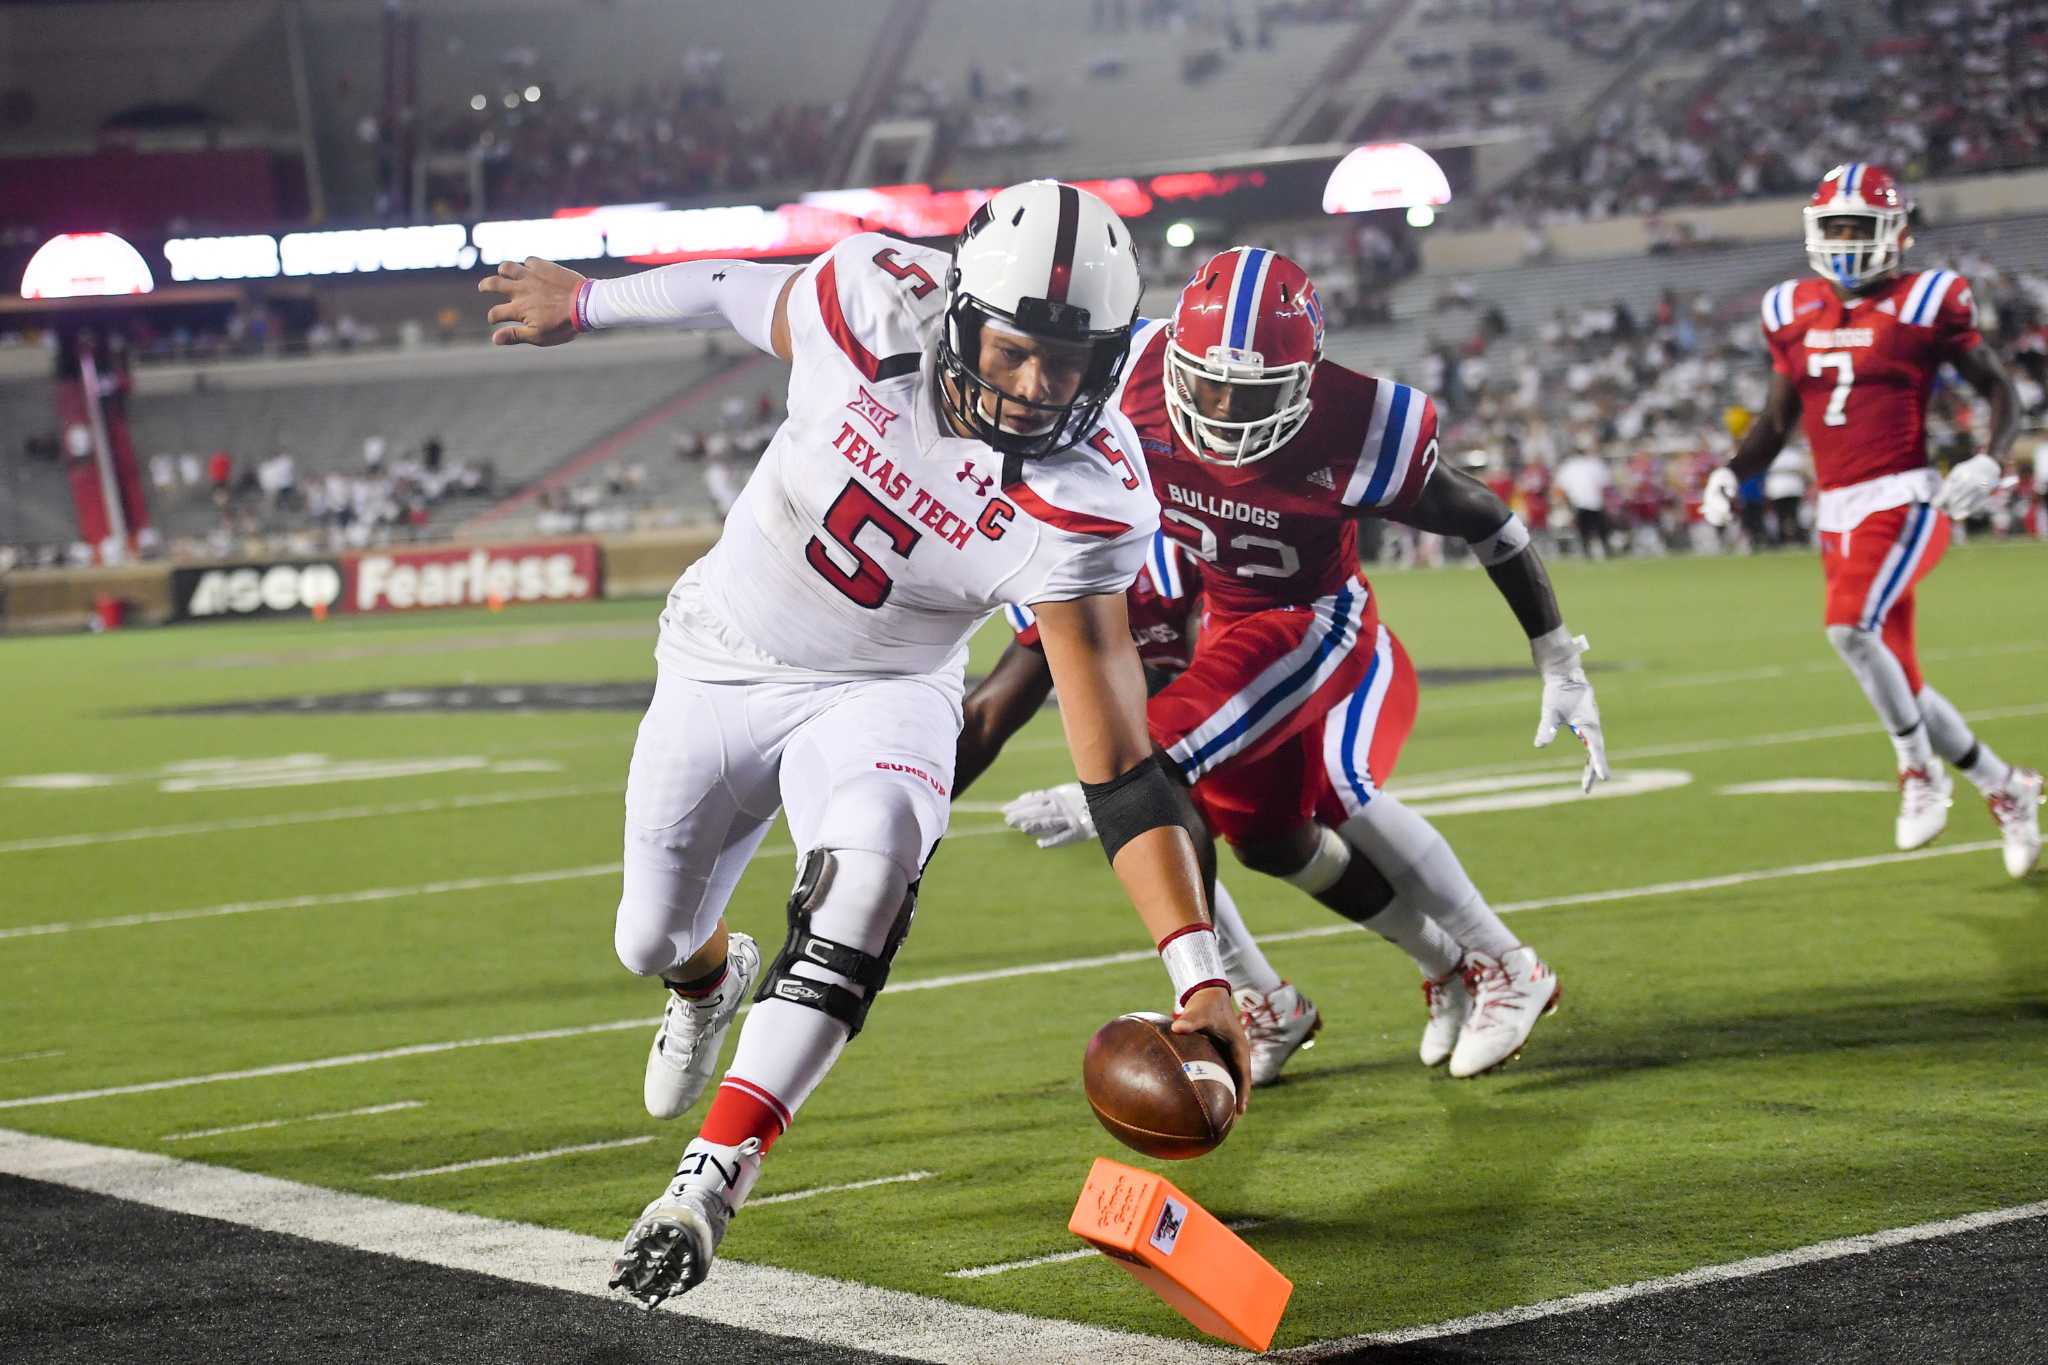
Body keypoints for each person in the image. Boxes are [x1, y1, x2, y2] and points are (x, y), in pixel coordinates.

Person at [479, 180, 1250, 1308]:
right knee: (648, 935)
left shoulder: (1089, 501)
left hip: (885, 688)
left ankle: (705, 1185)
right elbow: (723, 287)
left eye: (1070, 363)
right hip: (721, 651)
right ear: (957, 313)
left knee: (872, 867)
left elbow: (1119, 766)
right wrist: (588, 306)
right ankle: (706, 979)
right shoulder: (865, 302)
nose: (1038, 389)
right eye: (1015, 349)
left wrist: (1200, 972)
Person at [1011, 247, 1608, 1079]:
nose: (1221, 410)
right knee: (1257, 831)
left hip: (1313, 620)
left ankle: (1502, 962)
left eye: (1250, 394)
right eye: (1208, 384)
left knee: (1172, 772)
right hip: (1223, 617)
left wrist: (1558, 660)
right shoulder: (1129, 372)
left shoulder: (1359, 422)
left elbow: (1487, 517)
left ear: (1304, 379)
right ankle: (1413, 972)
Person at [1704, 163, 2040, 877]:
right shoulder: (1789, 308)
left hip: (1909, 497)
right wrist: (1733, 471)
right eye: (1837, 226)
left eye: (1862, 225)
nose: (1849, 239)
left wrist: (1989, 458)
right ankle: (2007, 786)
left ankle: (1918, 769)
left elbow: (1999, 390)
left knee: (1846, 626)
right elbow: (1776, 418)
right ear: (1815, 230)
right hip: (1837, 511)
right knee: (1902, 679)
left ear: (1897, 231)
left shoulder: (1927, 298)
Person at [955, 531, 1327, 1085]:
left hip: (1282, 663)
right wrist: (912, 803)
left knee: (1320, 816)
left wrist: (1121, 787)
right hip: (1190, 702)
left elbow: (1215, 694)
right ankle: (1267, 1001)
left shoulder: (1173, 555)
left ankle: (1474, 955)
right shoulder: (1051, 572)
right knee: (1152, 829)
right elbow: (987, 716)